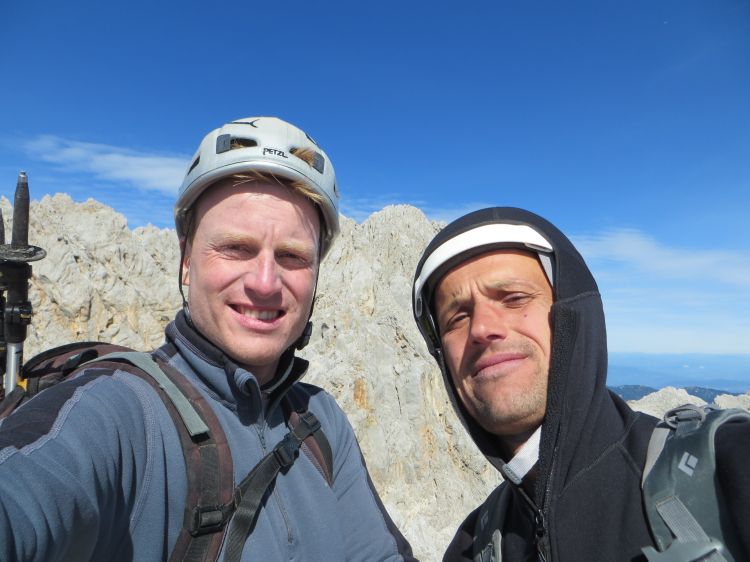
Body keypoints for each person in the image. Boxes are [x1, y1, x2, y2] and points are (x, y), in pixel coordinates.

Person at [0, 117, 416, 561]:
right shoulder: (118, 410)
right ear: (186, 262)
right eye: (236, 247)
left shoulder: (322, 422)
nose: (264, 282)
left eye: (293, 256)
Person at [412, 206, 750, 561]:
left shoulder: (725, 467)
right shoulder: (471, 546)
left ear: (572, 314)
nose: (481, 328)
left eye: (514, 298)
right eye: (457, 317)